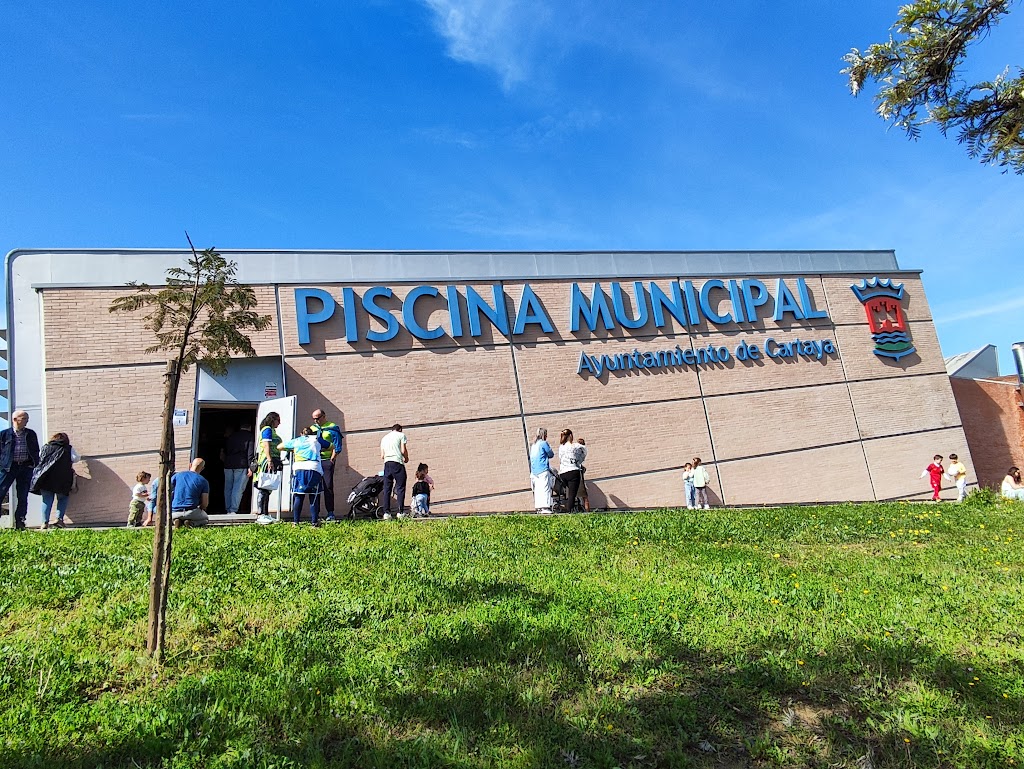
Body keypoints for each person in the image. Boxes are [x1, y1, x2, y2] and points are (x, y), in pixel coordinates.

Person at [278, 426, 329, 525]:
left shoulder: (297, 440)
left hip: (299, 468)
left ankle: (296, 521)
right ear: (312, 434)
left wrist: (294, 450)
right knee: (314, 496)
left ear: (302, 434)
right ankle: (314, 522)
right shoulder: (316, 439)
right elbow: (331, 446)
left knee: (298, 496)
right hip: (314, 468)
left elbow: (279, 447)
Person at [0, 410, 41, 530]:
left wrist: (33, 464)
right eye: (24, 419)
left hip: (25, 467)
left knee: (22, 495)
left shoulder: (30, 434)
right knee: (1, 492)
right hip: (8, 468)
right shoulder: (4, 435)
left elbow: (35, 450)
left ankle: (20, 521)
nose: (27, 421)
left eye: (27, 419)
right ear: (15, 420)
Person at [30, 432, 79, 530]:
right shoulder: (68, 448)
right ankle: (59, 519)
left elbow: (39, 459)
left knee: (46, 500)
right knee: (62, 498)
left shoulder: (45, 447)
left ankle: (44, 522)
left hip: (46, 478)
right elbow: (76, 458)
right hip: (63, 478)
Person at [310, 408, 344, 522]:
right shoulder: (312, 429)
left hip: (326, 460)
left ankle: (330, 512)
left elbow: (337, 445)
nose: (315, 421)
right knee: (315, 487)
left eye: (317, 418)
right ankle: (316, 513)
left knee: (328, 486)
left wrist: (332, 459)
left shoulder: (332, 427)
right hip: (315, 461)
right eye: (313, 419)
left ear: (324, 416)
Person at [254, 412, 283, 524]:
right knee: (263, 487)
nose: (279, 423)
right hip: (266, 461)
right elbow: (266, 445)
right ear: (272, 419)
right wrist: (269, 459)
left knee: (268, 488)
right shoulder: (267, 430)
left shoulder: (272, 431)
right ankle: (261, 514)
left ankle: (266, 514)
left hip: (273, 460)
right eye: (278, 420)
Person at [220, 424, 252, 514]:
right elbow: (250, 453)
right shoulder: (249, 436)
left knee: (228, 487)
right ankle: (233, 510)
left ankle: (227, 508)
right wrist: (250, 467)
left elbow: (224, 451)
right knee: (238, 488)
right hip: (241, 464)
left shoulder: (231, 436)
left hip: (228, 464)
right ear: (249, 427)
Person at [169, 458, 210, 527]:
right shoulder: (203, 481)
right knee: (205, 519)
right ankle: (191, 523)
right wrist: (200, 507)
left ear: (190, 465)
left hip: (175, 512)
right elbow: (205, 504)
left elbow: (168, 490)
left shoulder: (177, 476)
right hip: (191, 512)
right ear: (202, 468)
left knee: (175, 516)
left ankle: (176, 520)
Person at [380, 424, 409, 519]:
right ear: (400, 429)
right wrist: (406, 458)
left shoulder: (384, 438)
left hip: (387, 463)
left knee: (387, 488)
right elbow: (403, 450)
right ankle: (400, 512)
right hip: (397, 462)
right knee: (400, 487)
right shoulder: (401, 435)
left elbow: (382, 455)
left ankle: (386, 513)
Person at [557, 429, 585, 511]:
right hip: (573, 471)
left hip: (563, 473)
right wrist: (579, 461)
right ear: (570, 436)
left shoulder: (561, 447)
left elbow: (560, 458)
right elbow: (583, 451)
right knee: (572, 494)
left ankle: (570, 509)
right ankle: (569, 511)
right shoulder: (574, 446)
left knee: (570, 492)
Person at [529, 427, 555, 513]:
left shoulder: (533, 445)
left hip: (534, 471)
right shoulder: (543, 443)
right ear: (544, 435)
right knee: (545, 488)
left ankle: (539, 507)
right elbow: (551, 454)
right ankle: (545, 507)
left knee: (538, 490)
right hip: (543, 469)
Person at [576, 437, 591, 512]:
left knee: (579, 496)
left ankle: (584, 510)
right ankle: (587, 511)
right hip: (579, 476)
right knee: (585, 496)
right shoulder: (582, 452)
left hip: (575, 475)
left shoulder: (576, 451)